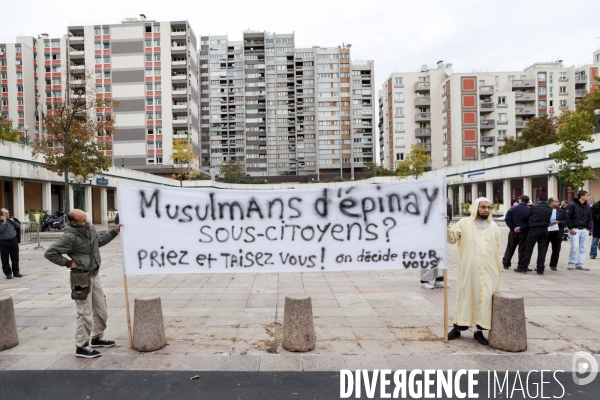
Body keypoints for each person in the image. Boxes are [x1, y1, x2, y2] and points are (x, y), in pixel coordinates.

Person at [44, 209, 122, 358]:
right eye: (83, 221)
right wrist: (68, 263)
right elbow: (50, 253)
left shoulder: (90, 229)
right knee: (84, 313)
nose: (87, 222)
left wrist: (114, 232)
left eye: (86, 218)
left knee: (101, 309)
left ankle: (97, 337)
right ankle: (81, 346)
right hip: (80, 277)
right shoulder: (69, 237)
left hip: (94, 275)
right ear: (73, 223)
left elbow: (98, 242)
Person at [446, 198, 502, 345]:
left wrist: (498, 268)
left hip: (489, 271)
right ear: (476, 208)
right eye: (483, 207)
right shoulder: (464, 223)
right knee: (466, 297)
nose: (486, 210)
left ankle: (479, 331)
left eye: (489, 207)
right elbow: (451, 238)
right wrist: (445, 225)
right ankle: (457, 328)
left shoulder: (494, 227)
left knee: (485, 299)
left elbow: (498, 249)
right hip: (469, 271)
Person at [516, 194, 552, 275]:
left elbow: (526, 215)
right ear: (547, 200)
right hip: (544, 229)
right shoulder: (549, 208)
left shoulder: (534, 207)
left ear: (538, 199)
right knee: (542, 250)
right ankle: (540, 269)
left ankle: (523, 268)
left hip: (534, 229)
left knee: (528, 249)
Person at [566, 191, 592, 270]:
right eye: (587, 195)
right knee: (574, 247)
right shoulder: (572, 205)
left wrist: (588, 228)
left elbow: (590, 218)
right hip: (575, 229)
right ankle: (571, 262)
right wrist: (570, 228)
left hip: (584, 229)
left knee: (583, 248)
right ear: (581, 196)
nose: (588, 197)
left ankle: (580, 263)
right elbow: (567, 217)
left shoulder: (588, 207)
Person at [502, 195, 530, 270]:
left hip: (513, 232)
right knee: (522, 249)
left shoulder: (512, 208)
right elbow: (530, 221)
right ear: (528, 201)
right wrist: (522, 228)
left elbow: (507, 219)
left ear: (520, 200)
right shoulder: (530, 209)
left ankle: (506, 263)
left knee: (510, 247)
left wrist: (514, 227)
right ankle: (521, 264)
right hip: (524, 232)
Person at [546, 197, 570, 271]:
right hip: (546, 232)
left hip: (557, 232)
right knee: (543, 249)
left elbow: (567, 220)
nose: (558, 203)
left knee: (556, 249)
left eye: (558, 201)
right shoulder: (545, 210)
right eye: (556, 202)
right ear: (551, 203)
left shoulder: (562, 211)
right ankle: (540, 265)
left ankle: (553, 265)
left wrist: (559, 222)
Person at [0, 208, 21, 279]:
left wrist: (13, 222)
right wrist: (4, 222)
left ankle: (16, 272)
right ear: (1, 215)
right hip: (4, 242)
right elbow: (1, 230)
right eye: (6, 213)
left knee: (15, 257)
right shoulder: (1, 222)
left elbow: (18, 226)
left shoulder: (12, 219)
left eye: (8, 213)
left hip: (13, 240)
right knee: (5, 258)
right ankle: (8, 273)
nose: (8, 214)